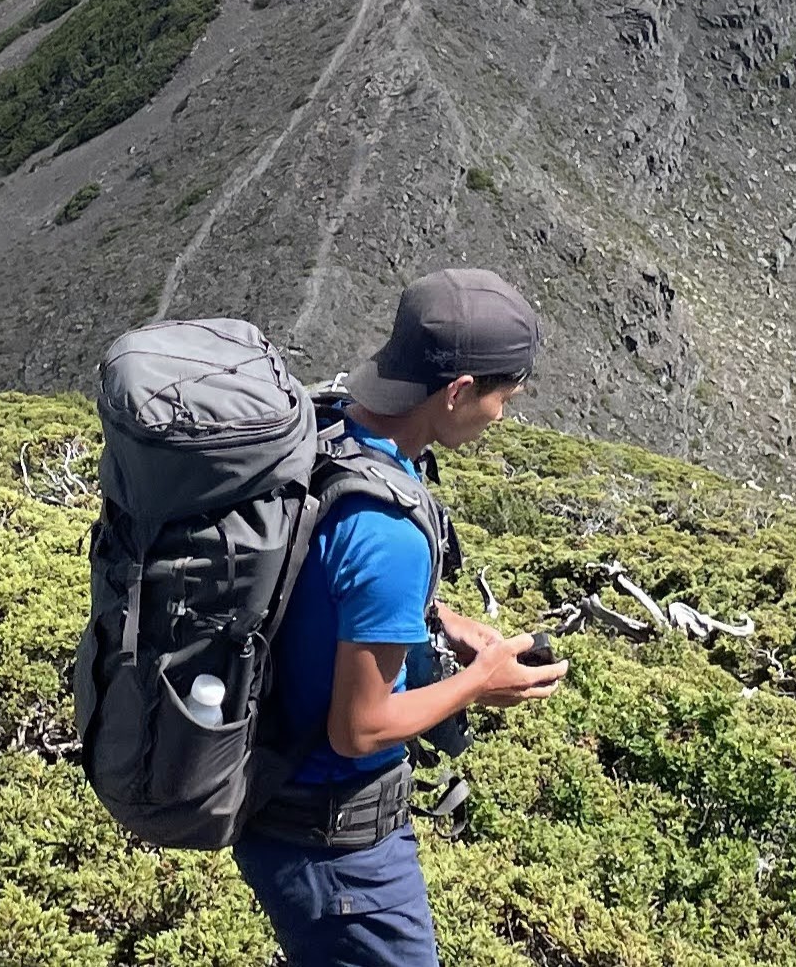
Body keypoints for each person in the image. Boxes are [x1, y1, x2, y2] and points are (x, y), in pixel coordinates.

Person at [235, 268, 569, 967]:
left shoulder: (332, 429)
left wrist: (441, 620)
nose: (502, 416)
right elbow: (359, 730)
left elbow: (324, 579)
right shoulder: (388, 533)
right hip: (333, 849)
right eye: (502, 398)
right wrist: (481, 682)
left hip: (287, 814)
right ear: (457, 392)